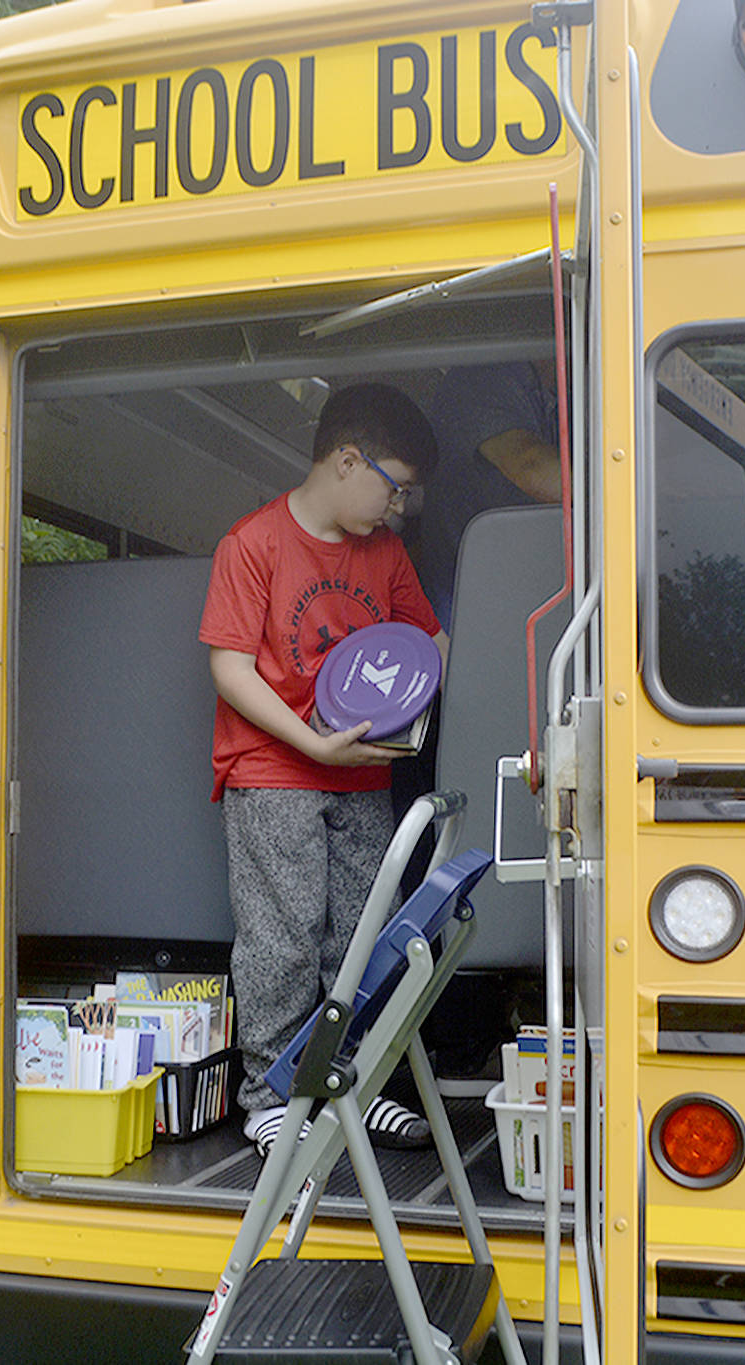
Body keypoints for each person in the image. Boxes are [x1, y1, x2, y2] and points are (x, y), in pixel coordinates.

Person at [199, 381, 450, 1156]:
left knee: (364, 933)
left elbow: (430, 642)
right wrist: (310, 742)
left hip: (363, 772)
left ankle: (357, 1083)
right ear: (348, 460)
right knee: (282, 936)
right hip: (273, 768)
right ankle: (272, 1093)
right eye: (395, 487)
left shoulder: (388, 553)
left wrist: (410, 711)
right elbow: (231, 669)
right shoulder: (253, 543)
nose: (398, 507)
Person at [413, 359, 564, 628]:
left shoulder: (558, 386)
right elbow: (533, 468)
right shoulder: (483, 376)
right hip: (469, 601)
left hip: (526, 591)